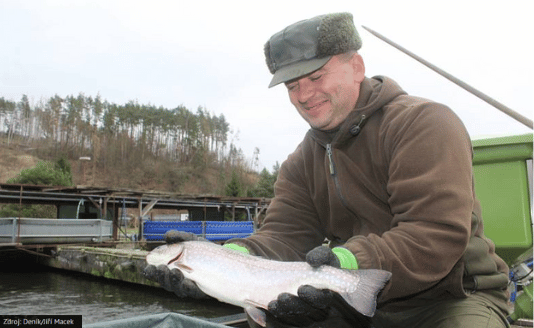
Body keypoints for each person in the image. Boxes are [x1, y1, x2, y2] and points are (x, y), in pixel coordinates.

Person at [144, 12, 511, 328]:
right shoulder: (301, 162)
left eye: (316, 77)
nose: (304, 95)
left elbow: (433, 236)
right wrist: (227, 257)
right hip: (356, 304)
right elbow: (283, 237)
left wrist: (347, 262)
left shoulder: (424, 124)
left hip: (450, 299)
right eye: (292, 85)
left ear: (357, 67)